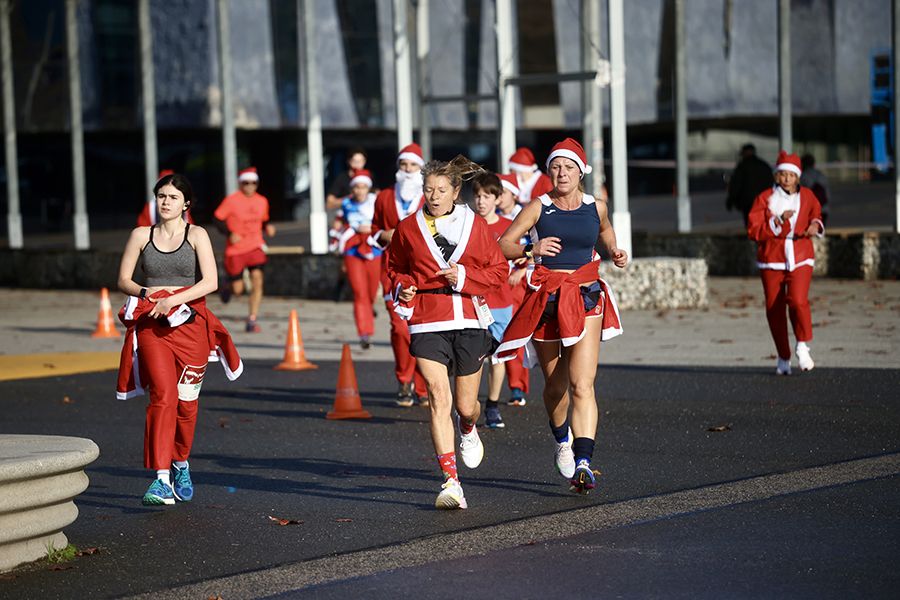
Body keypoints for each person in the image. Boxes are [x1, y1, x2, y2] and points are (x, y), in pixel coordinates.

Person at [497, 138, 627, 494]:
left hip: (586, 296)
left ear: (581, 170)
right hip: (547, 299)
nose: (561, 173)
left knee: (582, 384)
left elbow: (604, 230)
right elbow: (504, 244)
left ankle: (584, 462)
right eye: (555, 167)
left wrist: (614, 249)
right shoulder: (538, 207)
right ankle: (562, 442)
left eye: (568, 167)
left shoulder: (595, 206)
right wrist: (531, 248)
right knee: (556, 387)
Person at [389, 155, 509, 510]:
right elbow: (395, 268)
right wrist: (405, 287)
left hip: (470, 319)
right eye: (429, 189)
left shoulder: (475, 225)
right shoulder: (409, 227)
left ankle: (469, 428)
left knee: (465, 406)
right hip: (428, 319)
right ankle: (451, 481)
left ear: (456, 191)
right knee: (439, 398)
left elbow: (499, 271)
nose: (434, 196)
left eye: (442, 189)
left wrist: (466, 279)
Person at [116, 173, 242, 506]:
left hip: (191, 328)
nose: (165, 202)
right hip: (153, 327)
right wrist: (148, 292)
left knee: (187, 405)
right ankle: (160, 479)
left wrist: (174, 298)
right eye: (161, 196)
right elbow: (124, 280)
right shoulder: (141, 235)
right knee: (162, 397)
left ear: (186, 203)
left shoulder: (197, 234)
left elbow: (211, 281)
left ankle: (181, 463)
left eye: (172, 197)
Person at [747, 151, 824, 375]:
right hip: (772, 259)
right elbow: (753, 230)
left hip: (801, 255)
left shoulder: (808, 196)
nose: (787, 179)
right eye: (782, 174)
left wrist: (815, 226)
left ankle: (803, 345)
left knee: (798, 301)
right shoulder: (764, 198)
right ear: (776, 176)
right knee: (774, 308)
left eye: (791, 175)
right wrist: (777, 221)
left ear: (798, 177)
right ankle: (783, 355)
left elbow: (815, 214)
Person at [371, 143, 429, 407]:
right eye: (404, 165)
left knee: (423, 331)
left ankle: (423, 385)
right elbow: (373, 229)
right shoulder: (384, 196)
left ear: (421, 168)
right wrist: (383, 234)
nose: (408, 170)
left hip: (425, 273)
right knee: (400, 328)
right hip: (392, 271)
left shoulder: (430, 196)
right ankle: (403, 379)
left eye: (413, 165)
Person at [471, 172, 530, 428]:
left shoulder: (509, 225)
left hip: (501, 302)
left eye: (486, 196)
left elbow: (528, 250)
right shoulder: (467, 224)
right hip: (472, 301)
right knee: (473, 358)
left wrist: (521, 265)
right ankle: (468, 406)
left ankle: (492, 406)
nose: (481, 201)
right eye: (477, 196)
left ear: (497, 198)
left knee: (498, 357)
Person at [214, 167, 276, 332]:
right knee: (238, 289)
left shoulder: (262, 201)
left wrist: (267, 227)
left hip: (255, 245)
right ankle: (227, 286)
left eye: (253, 183)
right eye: (246, 183)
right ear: (240, 183)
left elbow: (263, 220)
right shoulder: (232, 200)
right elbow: (217, 219)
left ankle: (252, 319)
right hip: (236, 249)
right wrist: (229, 233)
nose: (250, 186)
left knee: (257, 280)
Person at [333, 169, 381, 349]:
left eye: (363, 187)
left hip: (374, 251)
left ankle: (368, 311)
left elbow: (384, 222)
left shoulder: (376, 202)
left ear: (368, 188)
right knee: (359, 293)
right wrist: (339, 233)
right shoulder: (346, 203)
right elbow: (338, 223)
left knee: (370, 292)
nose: (360, 191)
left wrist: (371, 228)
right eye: (356, 187)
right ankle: (364, 333)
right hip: (352, 251)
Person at [726, 143, 773, 226]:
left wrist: (731, 200)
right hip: (764, 201)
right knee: (763, 224)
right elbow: (771, 183)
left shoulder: (742, 167)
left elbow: (736, 185)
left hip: (748, 202)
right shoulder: (764, 166)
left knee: (751, 225)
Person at [800, 154, 830, 226]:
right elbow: (828, 195)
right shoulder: (821, 175)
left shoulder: (804, 176)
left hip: (810, 211)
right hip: (824, 209)